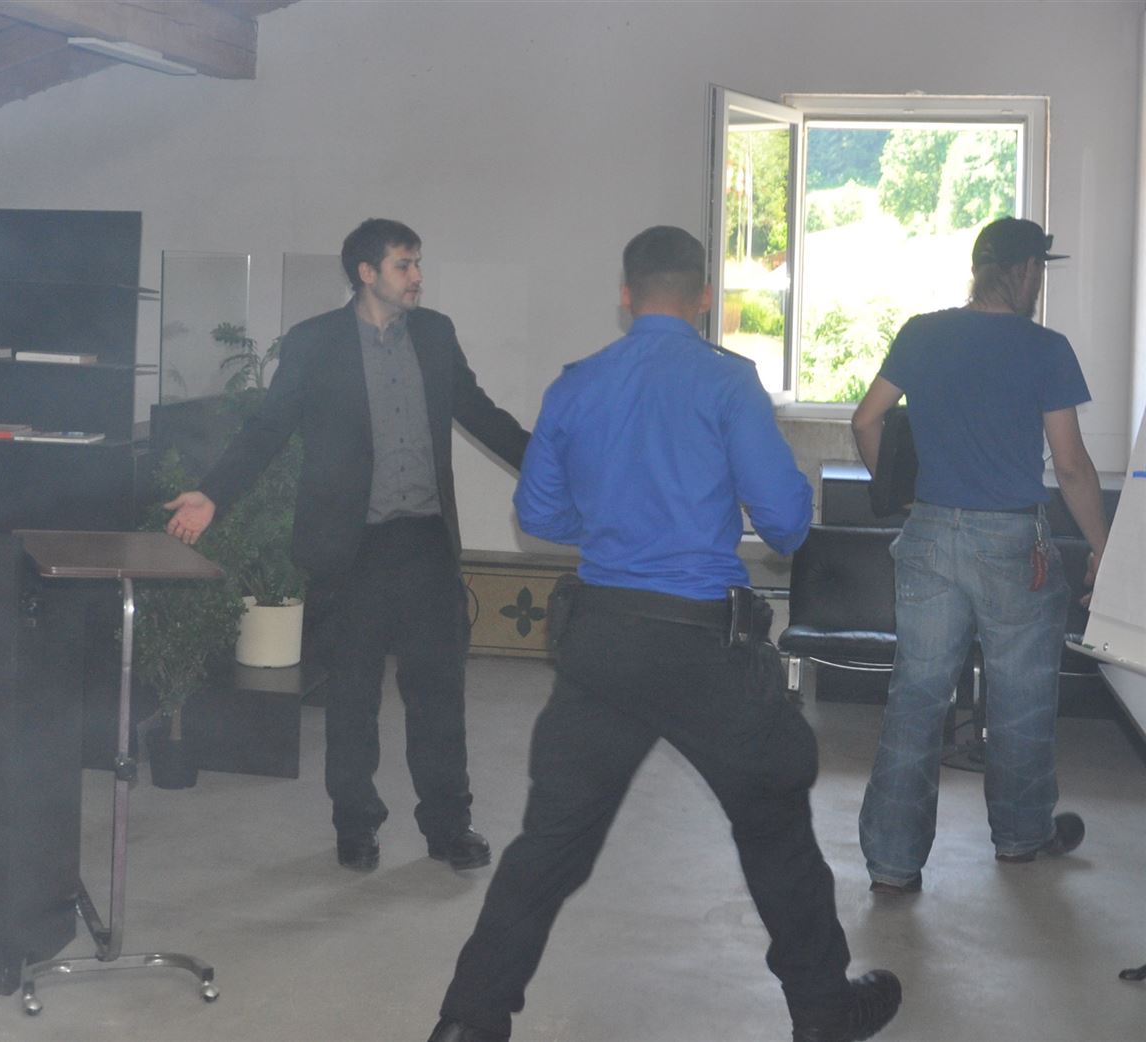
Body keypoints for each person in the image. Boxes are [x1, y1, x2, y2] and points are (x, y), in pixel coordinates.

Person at [431, 227, 899, 1042]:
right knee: (775, 825)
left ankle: (468, 1023)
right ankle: (824, 1013)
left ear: (626, 294)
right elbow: (787, 524)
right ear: (705, 297)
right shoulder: (728, 382)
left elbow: (537, 513)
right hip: (703, 648)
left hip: (601, 642)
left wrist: (615, 524)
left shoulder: (578, 383)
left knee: (551, 843)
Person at [164, 218, 528, 873]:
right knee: (353, 698)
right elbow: (269, 427)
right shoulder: (316, 342)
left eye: (417, 264)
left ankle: (450, 826)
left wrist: (552, 466)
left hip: (426, 543)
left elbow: (480, 413)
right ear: (366, 272)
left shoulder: (435, 334)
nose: (417, 277)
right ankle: (356, 826)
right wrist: (213, 494)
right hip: (350, 548)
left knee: (439, 696)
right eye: (404, 265)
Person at [853, 217, 1108, 895]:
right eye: (1039, 270)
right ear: (1024, 271)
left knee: (917, 697)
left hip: (931, 535)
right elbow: (1072, 466)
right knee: (1021, 697)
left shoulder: (921, 332)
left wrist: (905, 497)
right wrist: (1104, 549)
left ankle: (893, 864)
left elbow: (866, 419)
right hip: (1011, 545)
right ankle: (1021, 836)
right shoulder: (1045, 348)